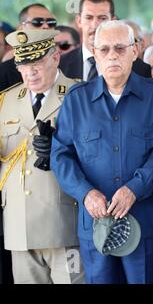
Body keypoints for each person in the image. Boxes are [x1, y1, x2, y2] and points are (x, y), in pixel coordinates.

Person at [51, 20, 153, 284]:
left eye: (120, 48)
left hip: (146, 222)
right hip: (96, 224)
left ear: (135, 51)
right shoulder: (77, 99)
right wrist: (86, 193)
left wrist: (135, 188)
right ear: (94, 54)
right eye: (104, 49)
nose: (112, 56)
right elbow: (61, 155)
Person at [0, 29, 84, 284]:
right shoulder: (6, 100)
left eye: (36, 63)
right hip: (19, 224)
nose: (29, 72)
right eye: (22, 65)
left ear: (56, 58)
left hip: (64, 221)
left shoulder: (79, 95)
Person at [59, 0, 150, 81]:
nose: (94, 25)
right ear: (79, 21)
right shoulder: (60, 65)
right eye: (89, 18)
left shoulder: (139, 69)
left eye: (102, 18)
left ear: (113, 21)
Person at [0, 3, 56, 91]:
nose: (45, 26)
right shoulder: (4, 72)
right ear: (20, 29)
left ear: (57, 58)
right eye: (37, 22)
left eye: (51, 22)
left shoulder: (69, 63)